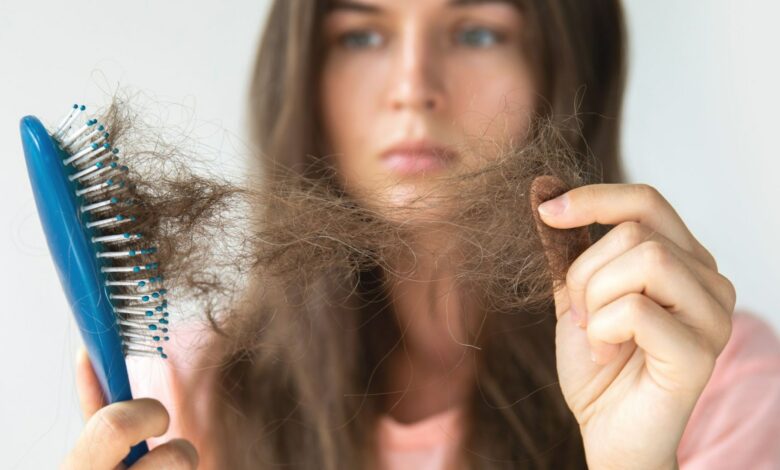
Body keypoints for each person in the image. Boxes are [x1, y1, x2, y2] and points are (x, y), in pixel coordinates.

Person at [61, 0, 780, 469]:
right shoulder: (187, 396)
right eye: (362, 34)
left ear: (566, 73)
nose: (413, 84)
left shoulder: (698, 374)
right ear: (305, 75)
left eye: (477, 31)